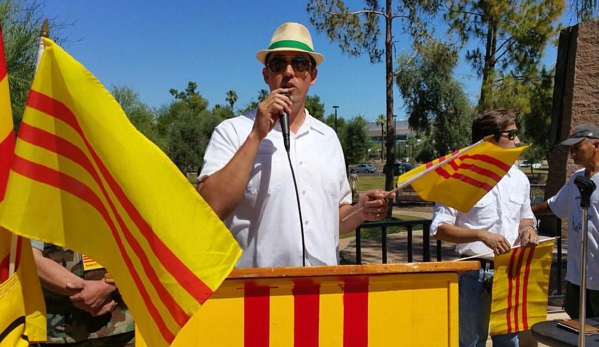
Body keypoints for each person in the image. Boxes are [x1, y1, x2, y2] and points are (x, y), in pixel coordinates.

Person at [197, 22, 391, 268]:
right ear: (266, 75)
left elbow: (336, 221)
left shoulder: (328, 138)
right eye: (278, 64)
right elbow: (210, 209)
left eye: (300, 64)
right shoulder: (232, 132)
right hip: (258, 296)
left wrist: (362, 209)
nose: (289, 72)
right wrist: (256, 136)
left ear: (312, 76)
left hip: (322, 290)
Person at [430, 109, 539, 347]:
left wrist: (527, 230)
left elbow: (525, 217)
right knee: (471, 342)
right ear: (490, 138)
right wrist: (480, 235)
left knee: (509, 342)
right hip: (473, 274)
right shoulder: (459, 178)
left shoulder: (520, 179)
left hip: (510, 270)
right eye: (512, 134)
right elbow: (439, 229)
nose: (518, 141)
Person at [532, 123, 599, 319]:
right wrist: (524, 213)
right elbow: (553, 206)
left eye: (577, 147)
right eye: (570, 149)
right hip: (578, 278)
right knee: (576, 330)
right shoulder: (577, 178)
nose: (572, 154)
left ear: (596, 145)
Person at [31, 241, 134, 347]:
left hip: (123, 329)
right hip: (59, 332)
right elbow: (32, 258)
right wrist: (88, 293)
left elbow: (141, 247)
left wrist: (109, 284)